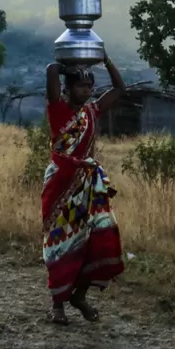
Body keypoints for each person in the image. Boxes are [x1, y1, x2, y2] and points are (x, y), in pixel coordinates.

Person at [42, 55, 127, 324]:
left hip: (88, 184)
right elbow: (51, 70)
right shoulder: (57, 109)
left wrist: (106, 61)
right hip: (60, 183)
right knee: (61, 242)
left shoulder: (92, 111)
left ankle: (79, 295)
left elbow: (120, 89)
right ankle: (58, 306)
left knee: (96, 241)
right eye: (80, 86)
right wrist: (70, 61)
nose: (87, 91)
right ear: (67, 89)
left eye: (89, 87)